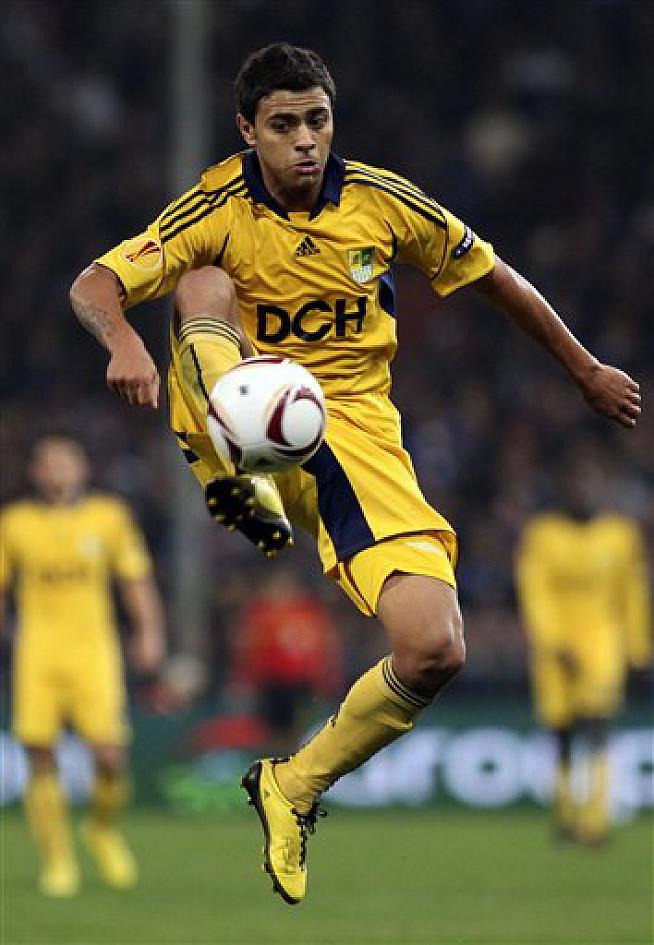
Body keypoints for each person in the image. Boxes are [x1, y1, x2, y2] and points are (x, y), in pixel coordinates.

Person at [69, 43, 641, 904]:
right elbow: (95, 283)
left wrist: (584, 367)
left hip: (361, 435)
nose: (305, 139)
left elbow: (495, 277)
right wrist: (121, 342)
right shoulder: (219, 205)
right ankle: (234, 462)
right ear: (248, 130)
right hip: (249, 394)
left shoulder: (381, 202)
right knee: (202, 280)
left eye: (318, 120)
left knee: (436, 645)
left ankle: (293, 784)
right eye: (284, 124)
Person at [0, 435, 165, 897]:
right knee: (39, 752)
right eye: (49, 463)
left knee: (109, 753)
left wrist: (149, 632)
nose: (58, 470)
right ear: (35, 472)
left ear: (83, 469)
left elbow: (135, 580)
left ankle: (101, 827)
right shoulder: (15, 523)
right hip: (37, 652)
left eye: (66, 462)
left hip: (94, 650)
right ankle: (57, 860)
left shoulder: (108, 517)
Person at [515, 456, 651, 846]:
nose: (583, 493)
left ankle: (595, 821)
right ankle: (565, 815)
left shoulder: (620, 535)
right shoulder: (543, 534)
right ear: (565, 491)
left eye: (590, 485)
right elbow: (534, 591)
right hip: (555, 645)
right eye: (576, 485)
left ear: (601, 490)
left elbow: (632, 593)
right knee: (561, 730)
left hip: (602, 641)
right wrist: (553, 641)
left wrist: (639, 648)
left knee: (597, 725)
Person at [229, 567, 344, 755]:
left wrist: (324, 676)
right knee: (270, 730)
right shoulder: (260, 612)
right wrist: (245, 677)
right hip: (270, 681)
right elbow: (247, 647)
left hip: (299, 682)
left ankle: (293, 759)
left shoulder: (307, 611)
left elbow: (321, 645)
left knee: (298, 728)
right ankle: (274, 762)